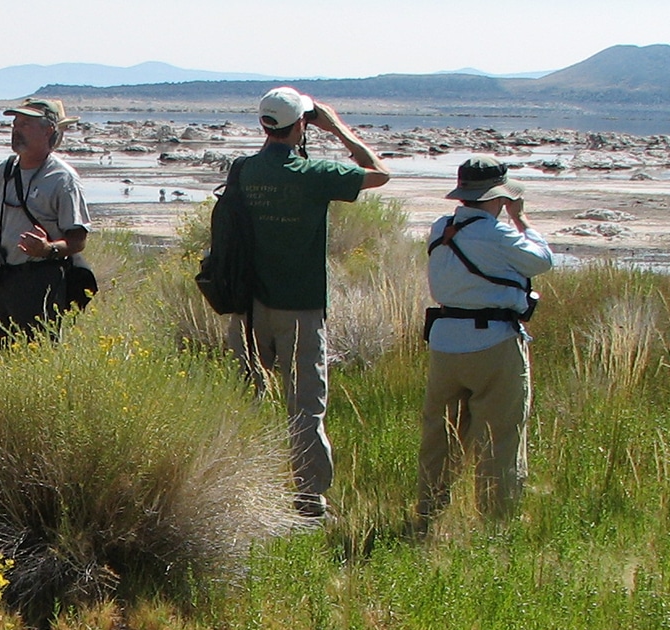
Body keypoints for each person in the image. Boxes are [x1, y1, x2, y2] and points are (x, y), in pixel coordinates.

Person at [231, 87, 390, 519]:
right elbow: (378, 173)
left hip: (247, 308)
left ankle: (236, 490)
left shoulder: (243, 171)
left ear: (263, 124)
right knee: (304, 406)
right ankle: (309, 499)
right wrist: (336, 126)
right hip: (299, 307)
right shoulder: (313, 173)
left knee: (244, 399)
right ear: (301, 124)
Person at [416, 156, 552, 526]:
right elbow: (542, 260)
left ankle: (429, 511)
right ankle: (497, 520)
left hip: (445, 342)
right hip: (493, 342)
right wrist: (521, 218)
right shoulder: (499, 234)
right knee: (501, 436)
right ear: (499, 196)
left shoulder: (440, 228)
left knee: (439, 435)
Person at [0, 98, 91, 346]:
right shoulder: (6, 171)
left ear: (48, 130)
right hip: (5, 281)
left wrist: (47, 249)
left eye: (26, 124)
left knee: (38, 352)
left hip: (41, 281)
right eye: (15, 123)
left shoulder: (63, 179)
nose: (16, 129)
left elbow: (78, 240)